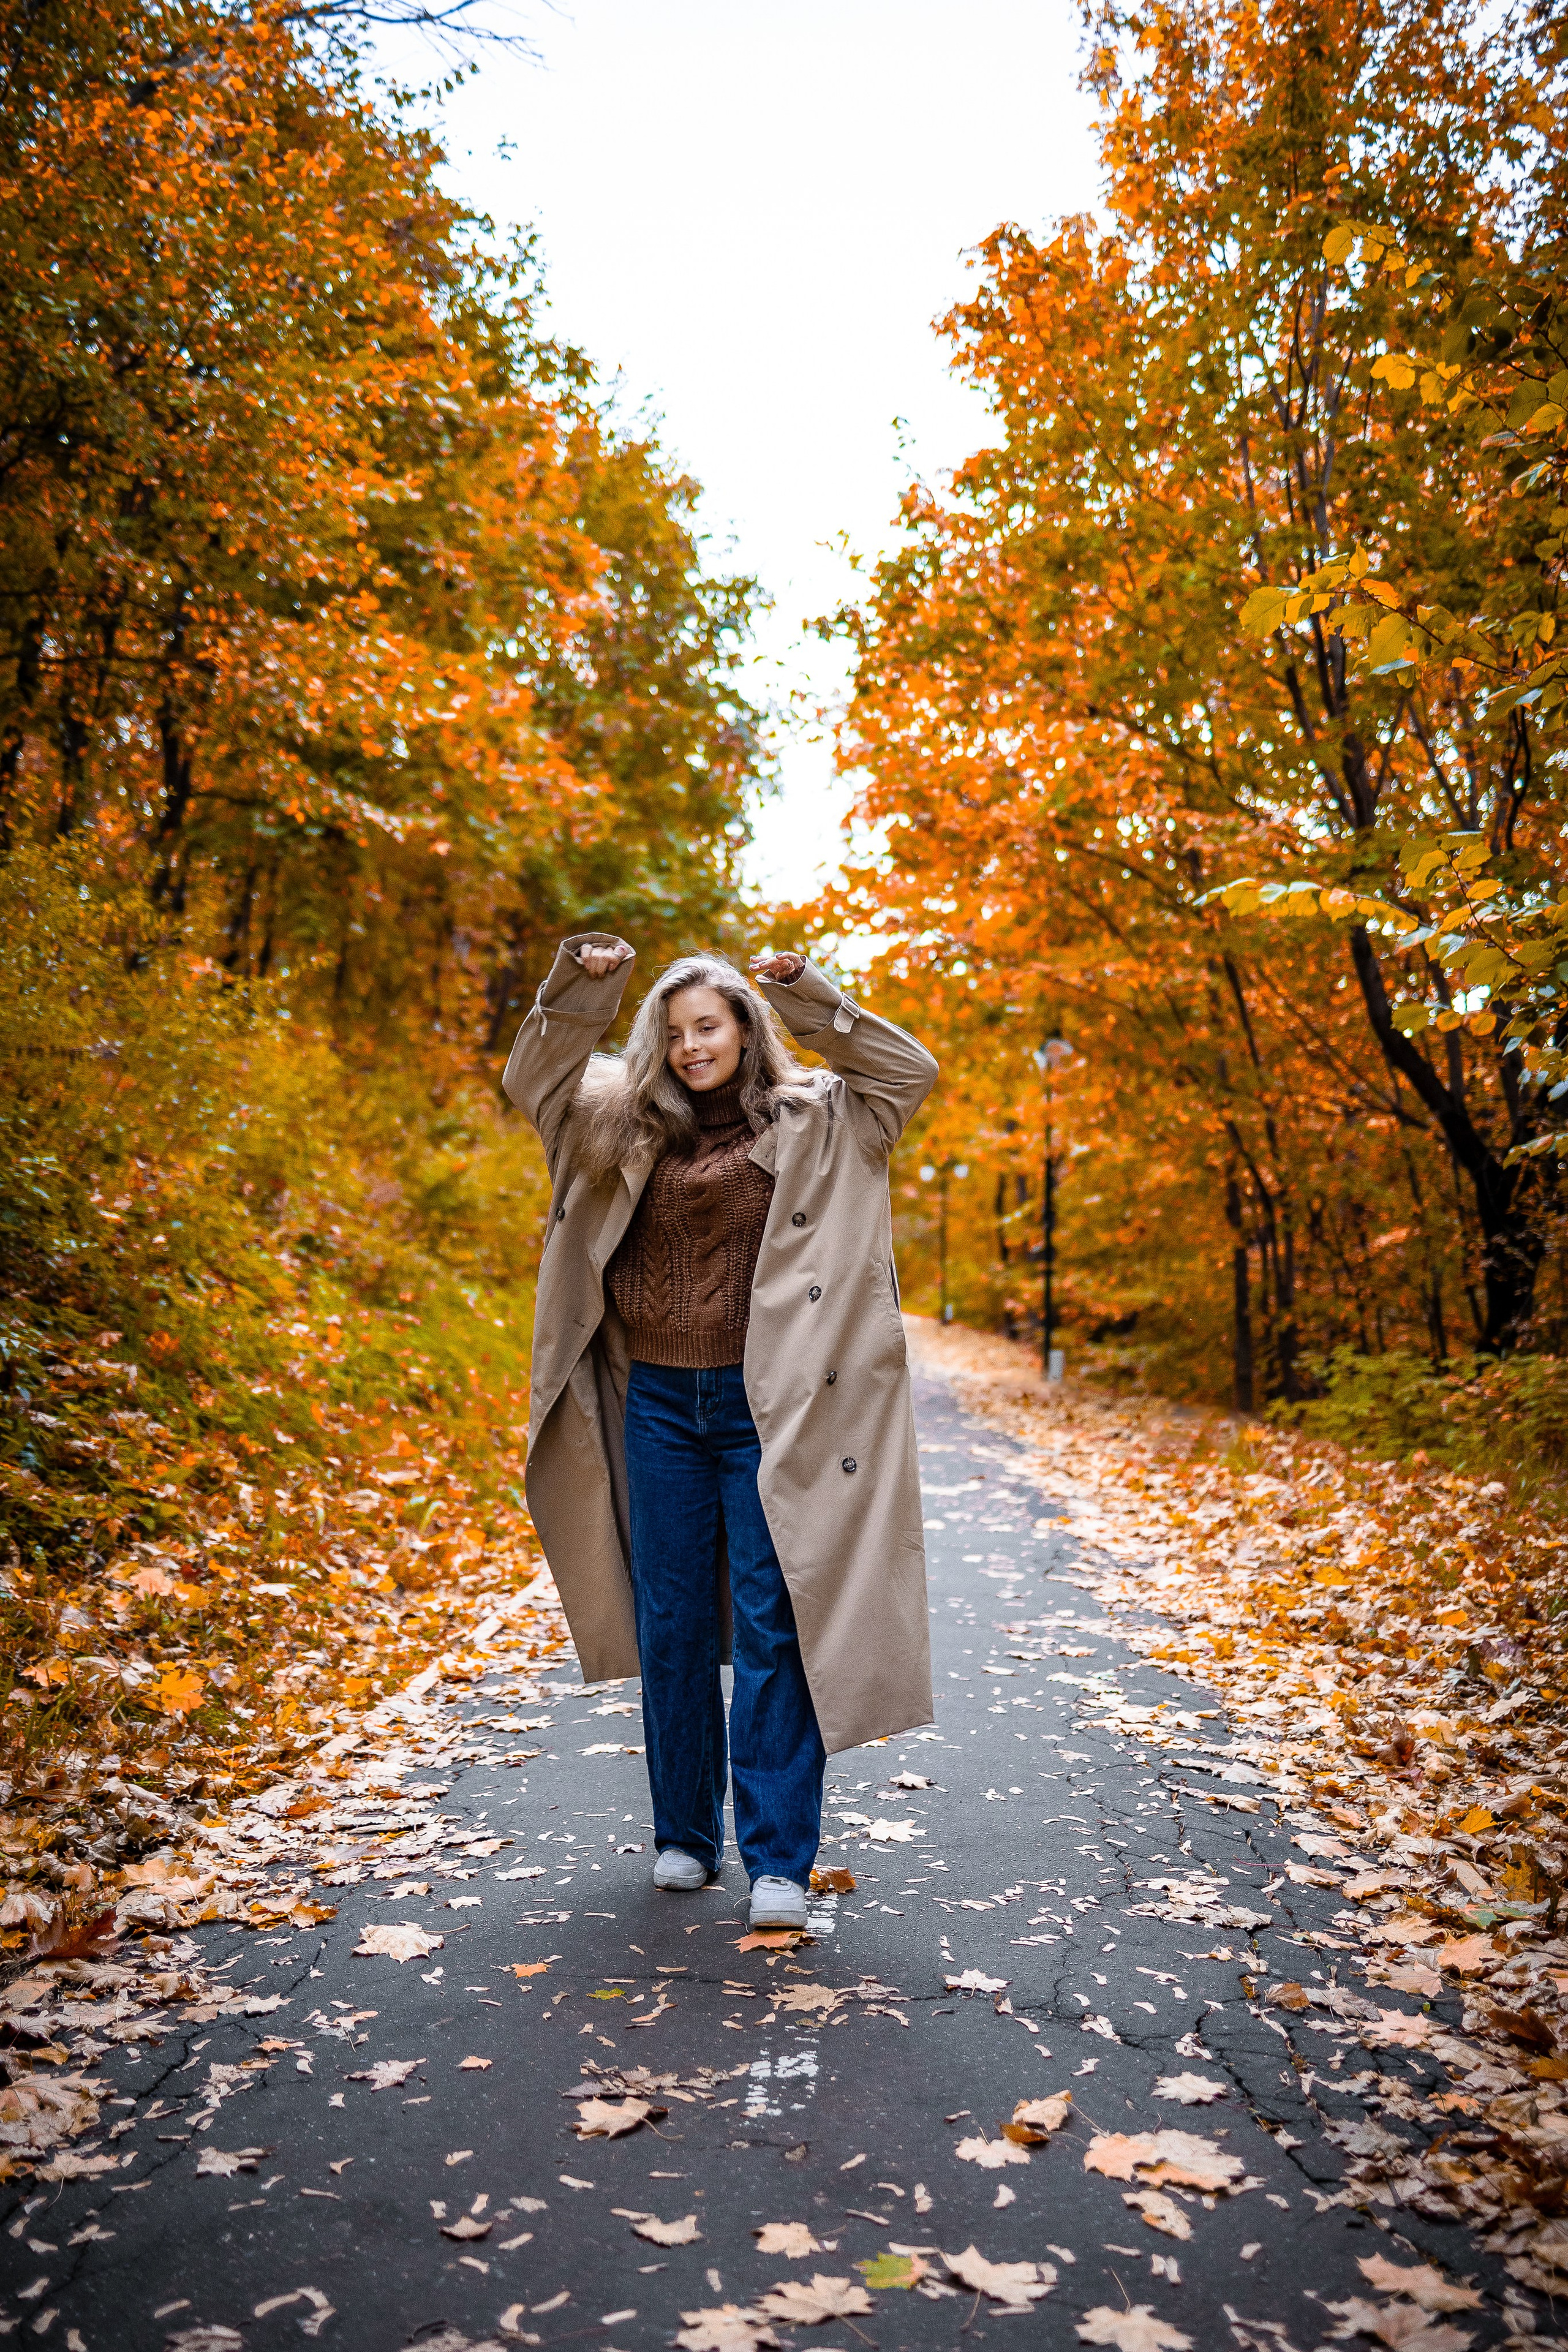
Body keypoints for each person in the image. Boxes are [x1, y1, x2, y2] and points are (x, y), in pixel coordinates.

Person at [503, 934, 938, 1932]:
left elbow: (908, 1069)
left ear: (746, 1028)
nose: (694, 1045)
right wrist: (589, 984)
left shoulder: (826, 1118)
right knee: (674, 1624)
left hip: (770, 1414)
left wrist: (809, 995)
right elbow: (533, 1074)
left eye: (712, 1024)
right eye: (676, 1030)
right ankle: (685, 1838)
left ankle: (778, 1859)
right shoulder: (610, 1123)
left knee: (773, 1621)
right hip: (655, 1403)